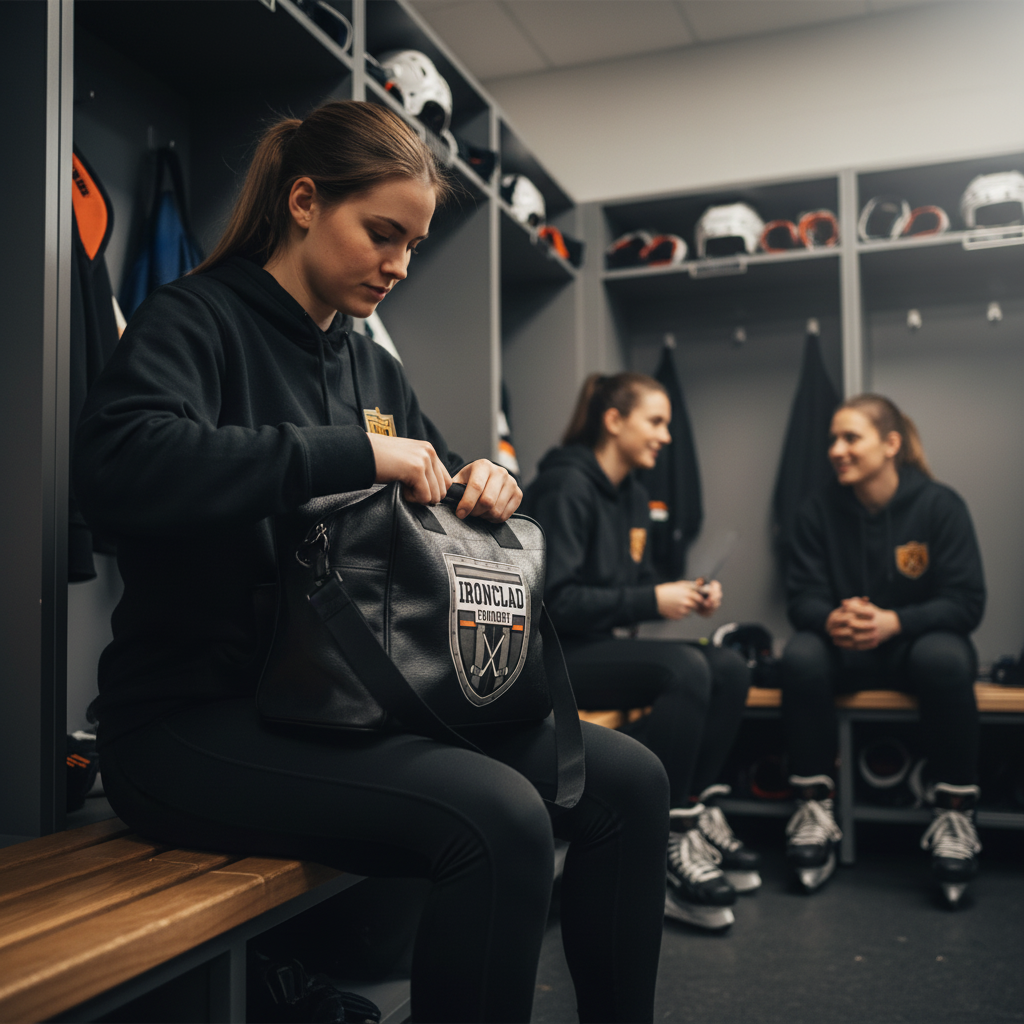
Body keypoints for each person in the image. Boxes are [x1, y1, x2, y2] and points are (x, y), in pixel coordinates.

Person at [73, 101, 671, 1024]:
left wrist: (483, 482)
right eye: (381, 234)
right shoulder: (196, 316)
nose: (397, 264)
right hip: (190, 720)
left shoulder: (371, 366)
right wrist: (347, 452)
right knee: (500, 816)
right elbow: (119, 468)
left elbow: (425, 484)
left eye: (414, 245)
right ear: (305, 201)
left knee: (626, 780)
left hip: (350, 705)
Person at [522, 373, 758, 933]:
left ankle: (691, 816)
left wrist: (681, 593)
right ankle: (664, 843)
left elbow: (634, 583)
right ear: (613, 420)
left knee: (726, 666)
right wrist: (653, 598)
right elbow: (553, 600)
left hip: (599, 646)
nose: (666, 436)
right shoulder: (566, 485)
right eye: (656, 421)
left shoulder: (631, 493)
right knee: (685, 670)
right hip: (552, 657)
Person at [780, 394, 986, 905]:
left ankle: (955, 814)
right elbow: (801, 598)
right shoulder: (816, 511)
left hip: (911, 649)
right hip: (846, 650)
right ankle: (812, 809)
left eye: (851, 437)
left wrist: (896, 622)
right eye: (833, 438)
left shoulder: (940, 505)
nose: (836, 449)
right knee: (801, 654)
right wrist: (832, 618)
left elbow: (966, 602)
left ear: (890, 444)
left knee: (945, 656)